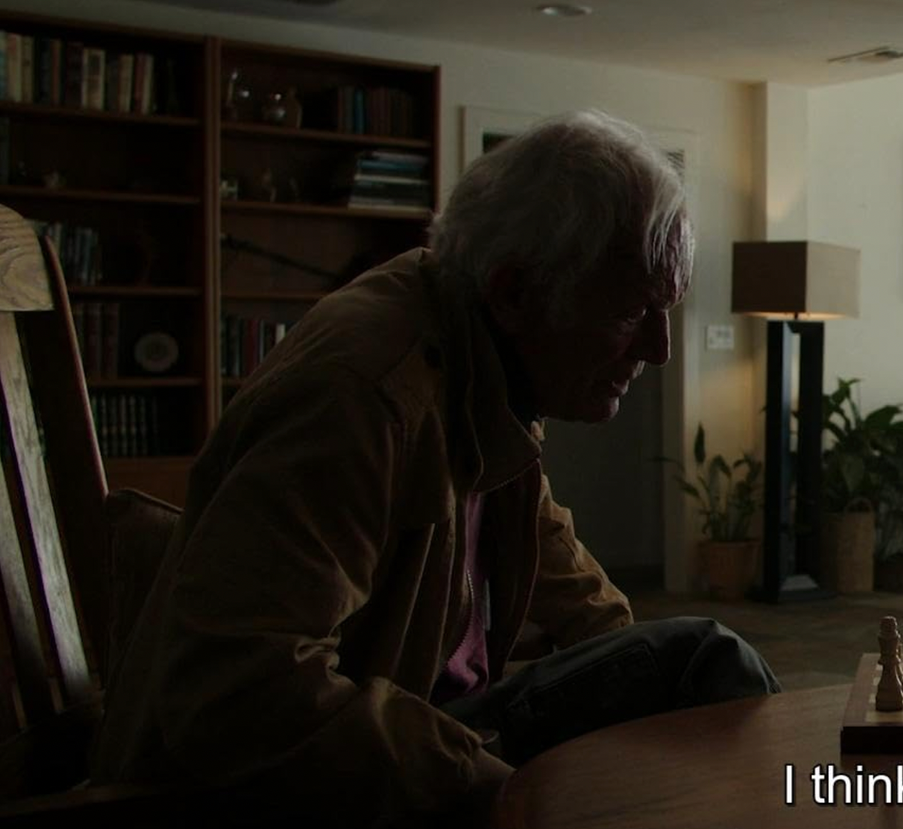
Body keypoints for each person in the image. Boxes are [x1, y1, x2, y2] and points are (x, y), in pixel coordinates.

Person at [92, 110, 781, 825]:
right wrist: (494, 788)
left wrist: (628, 675)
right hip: (283, 786)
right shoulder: (362, 395)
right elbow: (237, 689)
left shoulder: (476, 350)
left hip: (426, 722)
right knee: (707, 661)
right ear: (515, 293)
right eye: (632, 312)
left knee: (690, 663)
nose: (659, 350)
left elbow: (549, 548)